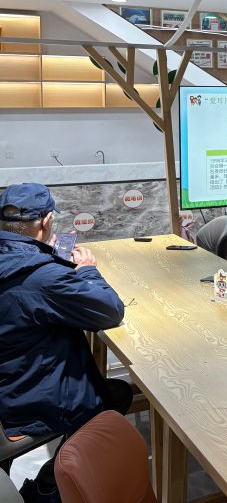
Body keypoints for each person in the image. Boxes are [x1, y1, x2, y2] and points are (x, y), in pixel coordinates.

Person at [0, 184, 133, 503]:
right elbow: (109, 310)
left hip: (7, 382)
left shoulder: (26, 264)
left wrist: (48, 256)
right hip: (24, 402)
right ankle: (51, 485)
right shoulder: (40, 277)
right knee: (115, 395)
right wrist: (87, 271)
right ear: (46, 221)